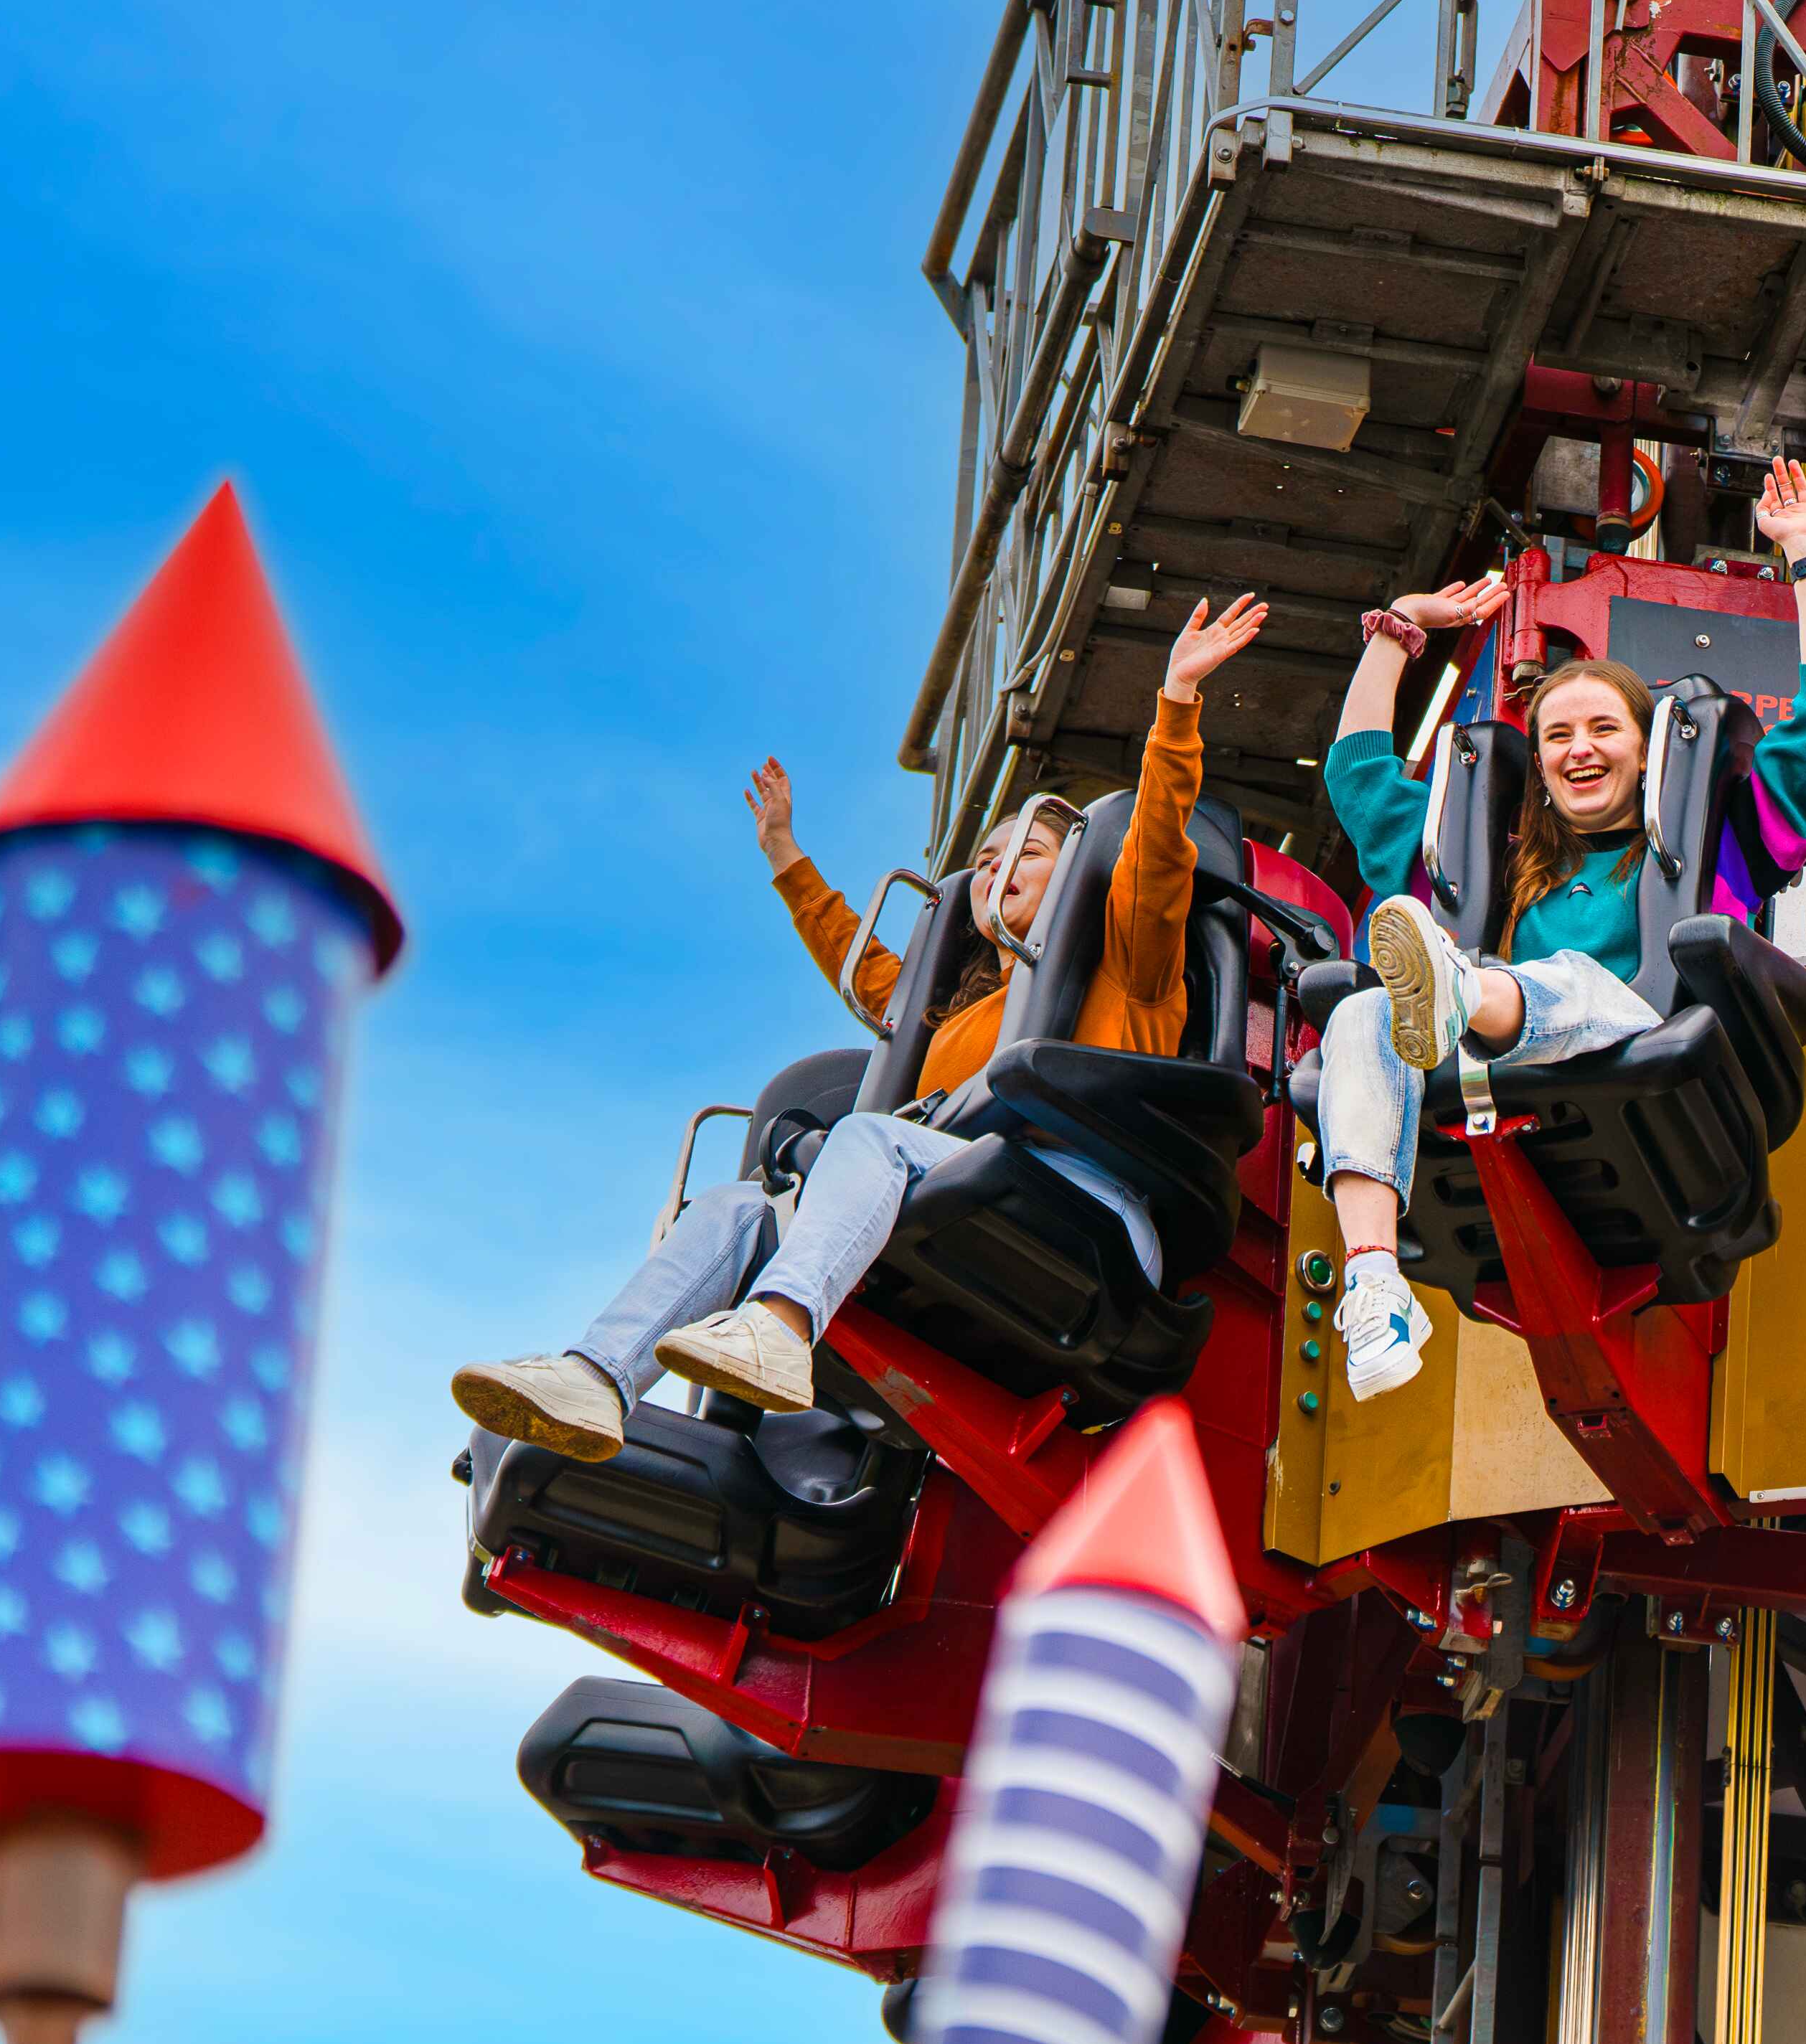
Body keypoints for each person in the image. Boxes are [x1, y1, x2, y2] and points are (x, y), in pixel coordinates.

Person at [450, 592, 1273, 1459]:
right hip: (970, 1201)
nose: (997, 873)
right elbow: (867, 966)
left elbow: (1155, 848)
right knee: (738, 1207)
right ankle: (594, 1378)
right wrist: (785, 856)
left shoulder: (1130, 958)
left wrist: (1176, 702)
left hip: (1087, 1211)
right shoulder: (959, 1016)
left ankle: (779, 1325)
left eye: (1027, 855)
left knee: (868, 1137)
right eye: (985, 861)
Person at [1317, 460, 1806, 1400]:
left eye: (1603, 729)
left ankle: (1459, 995)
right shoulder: (1497, 865)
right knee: (1356, 1017)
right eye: (1558, 735)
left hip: (1640, 1049)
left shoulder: (1719, 844)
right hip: (1492, 1070)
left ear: (1645, 751)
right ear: (1537, 765)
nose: (1579, 748)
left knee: (1568, 975)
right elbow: (1358, 777)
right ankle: (1374, 1287)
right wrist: (1400, 629)